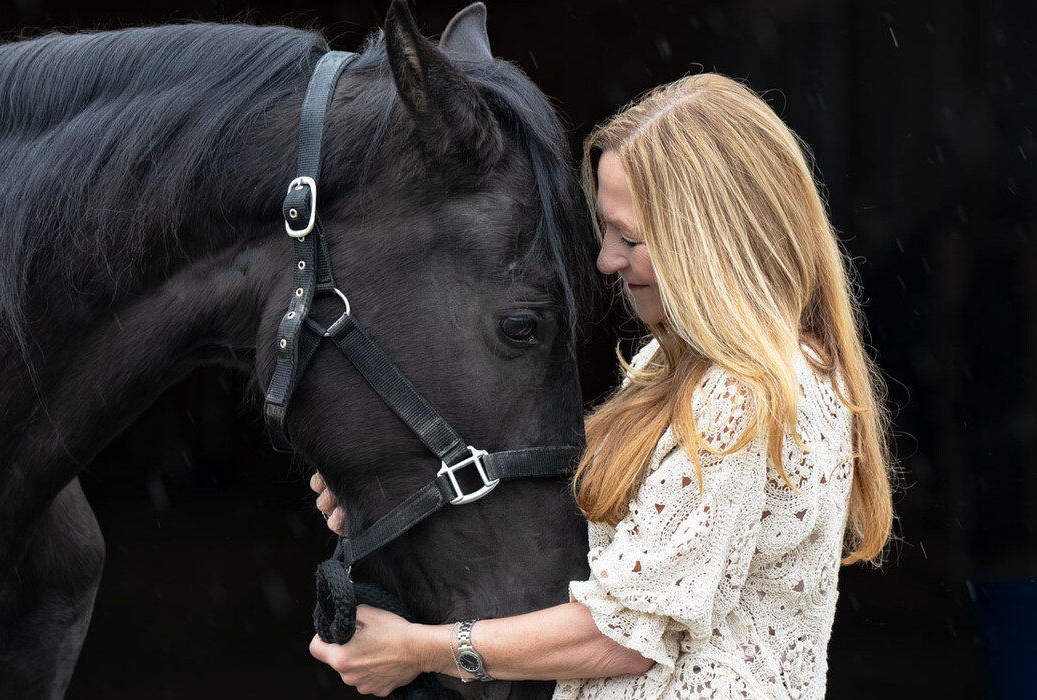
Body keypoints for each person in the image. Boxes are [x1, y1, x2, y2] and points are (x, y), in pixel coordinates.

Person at [308, 73, 895, 698]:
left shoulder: (746, 395)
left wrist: (419, 650)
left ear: (711, 241)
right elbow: (610, 554)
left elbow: (623, 637)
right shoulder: (676, 366)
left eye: (630, 238)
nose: (607, 260)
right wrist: (401, 494)